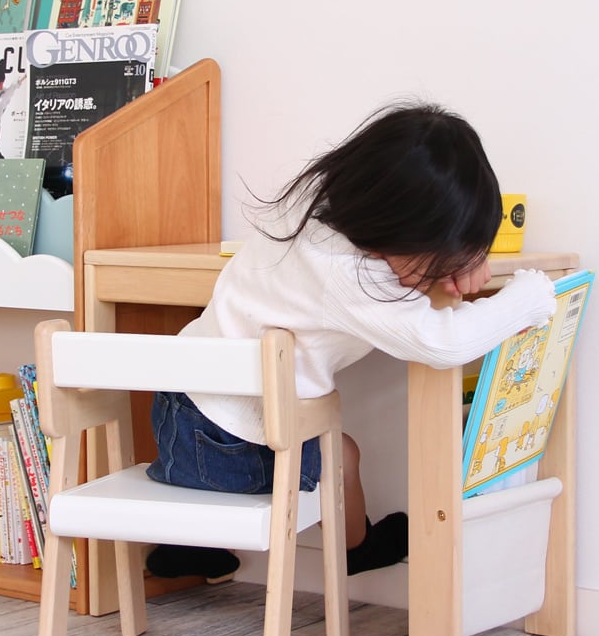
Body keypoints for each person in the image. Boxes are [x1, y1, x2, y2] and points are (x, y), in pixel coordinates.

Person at [143, 100, 559, 581]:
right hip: (222, 448)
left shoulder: (309, 210)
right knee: (341, 458)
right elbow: (445, 342)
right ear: (392, 229)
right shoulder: (350, 276)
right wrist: (529, 297)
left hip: (181, 417)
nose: (434, 276)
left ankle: (187, 546)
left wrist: (461, 257)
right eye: (434, 260)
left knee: (333, 448)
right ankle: (352, 552)